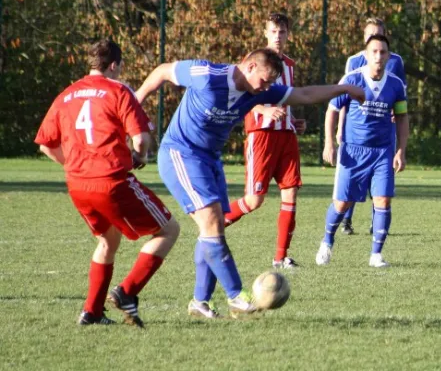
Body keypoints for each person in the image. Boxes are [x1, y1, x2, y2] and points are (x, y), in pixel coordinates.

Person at [135, 48, 364, 318]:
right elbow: (163, 70)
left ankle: (200, 301)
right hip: (181, 153)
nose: (266, 89)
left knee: (214, 226)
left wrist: (345, 88)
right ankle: (237, 296)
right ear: (250, 66)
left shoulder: (262, 90)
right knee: (210, 223)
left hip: (210, 159)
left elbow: (304, 94)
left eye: (270, 84)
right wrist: (134, 104)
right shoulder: (208, 75)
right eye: (264, 80)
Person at [34, 39, 180, 327]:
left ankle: (92, 312)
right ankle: (127, 292)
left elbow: (46, 146)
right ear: (114, 64)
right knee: (168, 230)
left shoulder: (67, 94)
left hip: (77, 184)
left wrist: (79, 166)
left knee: (108, 240)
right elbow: (141, 137)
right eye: (120, 65)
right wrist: (140, 155)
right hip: (111, 180)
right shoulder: (119, 90)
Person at [316, 34, 409, 268]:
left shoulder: (396, 85)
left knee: (383, 200)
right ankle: (327, 241)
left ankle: (376, 254)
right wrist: (329, 142)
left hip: (382, 152)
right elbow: (332, 109)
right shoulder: (352, 80)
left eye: (383, 52)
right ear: (366, 55)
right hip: (353, 151)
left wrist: (401, 150)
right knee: (342, 203)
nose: (378, 56)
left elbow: (402, 116)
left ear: (389, 56)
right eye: (374, 52)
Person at [224, 13, 306, 269]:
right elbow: (240, 97)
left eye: (282, 32)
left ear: (288, 34)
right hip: (261, 136)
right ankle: (214, 225)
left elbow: (286, 99)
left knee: (291, 194)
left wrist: (294, 120)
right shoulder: (253, 61)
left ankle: (280, 257)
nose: (278, 37)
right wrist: (264, 111)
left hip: (286, 137)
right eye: (273, 31)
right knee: (254, 201)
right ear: (265, 32)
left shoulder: (290, 64)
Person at [337, 17, 407, 235]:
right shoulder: (354, 62)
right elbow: (342, 100)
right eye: (369, 35)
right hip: (357, 132)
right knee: (354, 178)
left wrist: (397, 112)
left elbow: (400, 90)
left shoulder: (396, 61)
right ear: (364, 39)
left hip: (383, 128)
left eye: (378, 33)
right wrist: (340, 128)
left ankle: (377, 223)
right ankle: (346, 220)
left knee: (382, 178)